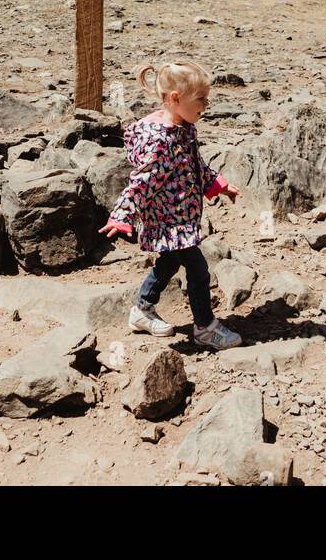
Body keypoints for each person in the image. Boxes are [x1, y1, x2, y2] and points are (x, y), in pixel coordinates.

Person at [100, 58, 243, 350]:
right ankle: (204, 327)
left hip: (180, 215)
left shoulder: (183, 127)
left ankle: (142, 310)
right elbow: (142, 181)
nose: (206, 104)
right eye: (201, 98)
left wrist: (218, 184)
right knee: (198, 269)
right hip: (168, 219)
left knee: (168, 262)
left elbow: (194, 164)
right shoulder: (161, 141)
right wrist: (122, 215)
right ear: (176, 99)